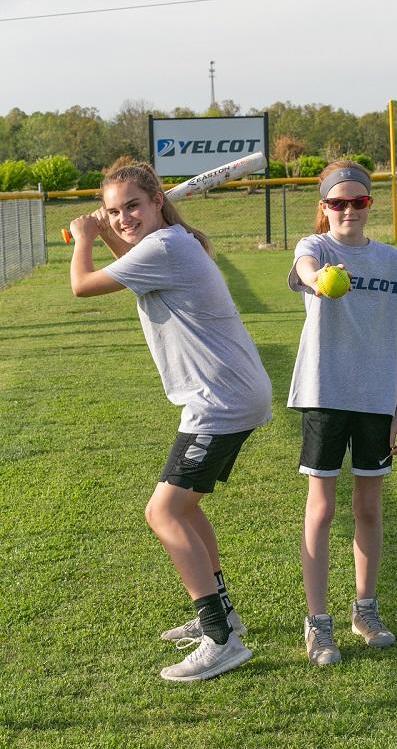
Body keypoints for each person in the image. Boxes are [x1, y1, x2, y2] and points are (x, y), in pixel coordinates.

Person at [69, 162, 272, 682]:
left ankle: (220, 640)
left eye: (132, 206)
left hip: (220, 399)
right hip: (221, 395)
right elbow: (132, 263)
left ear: (158, 200)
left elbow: (83, 286)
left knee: (163, 514)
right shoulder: (172, 244)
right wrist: (112, 231)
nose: (123, 217)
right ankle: (222, 613)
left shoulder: (167, 249)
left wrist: (86, 235)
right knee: (185, 508)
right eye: (114, 211)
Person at [287, 160, 397, 666]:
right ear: (324, 208)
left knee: (368, 508)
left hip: (376, 400)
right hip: (325, 394)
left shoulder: (391, 260)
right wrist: (320, 278)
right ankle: (318, 623)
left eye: (358, 201)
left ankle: (364, 610)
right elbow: (304, 268)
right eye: (337, 202)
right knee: (321, 509)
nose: (348, 209)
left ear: (370, 205)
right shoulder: (317, 249)